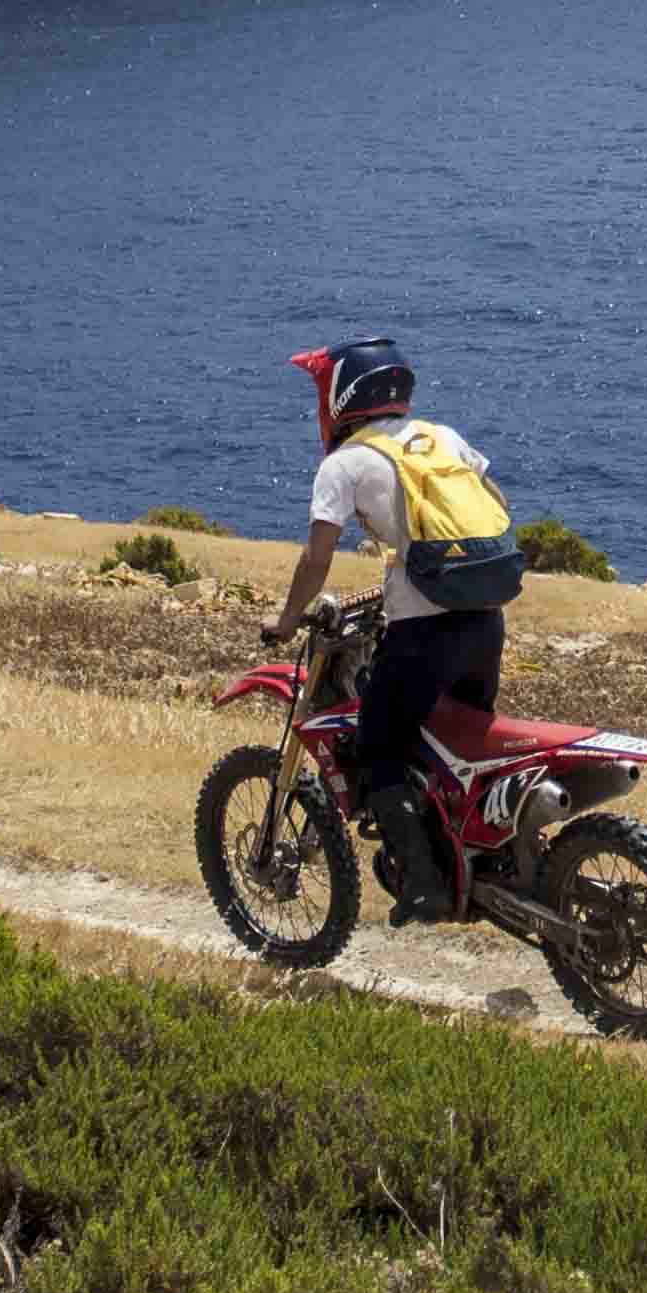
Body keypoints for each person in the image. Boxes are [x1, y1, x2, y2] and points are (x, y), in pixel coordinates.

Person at [266, 338, 524, 921]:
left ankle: (426, 887)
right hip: (484, 618)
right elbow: (496, 502)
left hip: (423, 631)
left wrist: (286, 621)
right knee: (460, 752)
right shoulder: (441, 437)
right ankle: (484, 866)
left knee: (379, 745)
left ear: (341, 396)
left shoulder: (344, 464)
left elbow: (315, 559)